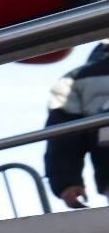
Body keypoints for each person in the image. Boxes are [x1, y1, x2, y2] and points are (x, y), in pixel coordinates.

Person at [45, 41, 109, 209]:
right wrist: (67, 181)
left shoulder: (76, 78)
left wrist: (66, 181)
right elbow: (64, 134)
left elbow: (63, 134)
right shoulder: (75, 80)